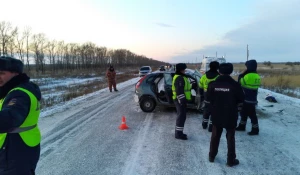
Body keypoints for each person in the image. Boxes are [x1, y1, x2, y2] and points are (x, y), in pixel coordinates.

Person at [0, 56, 41, 174]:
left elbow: (9, 119)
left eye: (2, 73)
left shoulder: (19, 94)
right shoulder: (9, 91)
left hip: (16, 150)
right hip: (18, 146)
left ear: (15, 73)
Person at [206, 63, 244, 167]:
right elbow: (241, 99)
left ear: (219, 71)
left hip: (216, 114)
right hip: (231, 115)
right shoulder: (235, 85)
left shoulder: (212, 84)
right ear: (231, 72)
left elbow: (208, 99)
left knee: (215, 136)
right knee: (230, 137)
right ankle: (230, 160)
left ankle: (211, 156)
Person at [236, 60, 261, 135]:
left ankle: (255, 129)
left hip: (246, 98)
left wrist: (241, 75)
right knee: (245, 113)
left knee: (250, 114)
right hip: (253, 98)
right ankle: (242, 126)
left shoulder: (247, 76)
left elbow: (240, 82)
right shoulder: (257, 76)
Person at [199, 61, 220, 132]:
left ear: (209, 67)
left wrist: (202, 95)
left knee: (206, 110)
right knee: (214, 112)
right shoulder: (219, 77)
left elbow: (200, 86)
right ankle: (211, 127)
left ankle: (204, 124)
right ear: (217, 67)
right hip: (216, 96)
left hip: (206, 95)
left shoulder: (204, 76)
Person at [172, 63, 191, 140]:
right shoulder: (179, 78)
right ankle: (178, 134)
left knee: (182, 116)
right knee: (181, 116)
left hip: (180, 100)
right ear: (181, 70)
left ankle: (179, 132)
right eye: (184, 69)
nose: (185, 70)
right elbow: (179, 91)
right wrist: (182, 101)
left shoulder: (181, 77)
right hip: (180, 100)